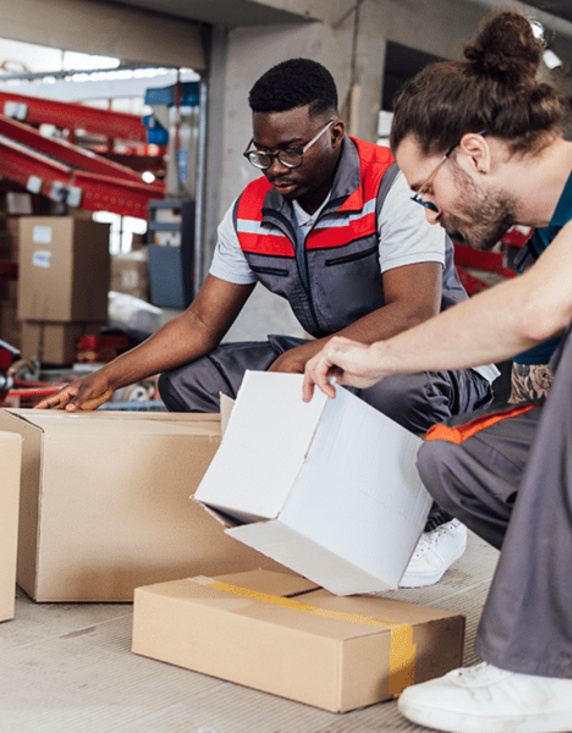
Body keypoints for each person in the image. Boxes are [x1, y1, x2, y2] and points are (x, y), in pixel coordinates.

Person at [37, 58, 495, 587]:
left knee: (395, 393)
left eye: (291, 150)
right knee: (189, 381)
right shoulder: (250, 211)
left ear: (334, 134)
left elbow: (414, 311)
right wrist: (109, 377)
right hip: (330, 358)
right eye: (263, 153)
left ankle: (434, 522)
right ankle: (298, 500)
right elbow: (202, 321)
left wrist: (304, 358)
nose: (275, 167)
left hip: (434, 357)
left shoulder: (394, 188)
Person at [304, 12, 572, 733]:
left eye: (427, 191)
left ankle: (537, 672)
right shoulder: (545, 232)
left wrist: (377, 353)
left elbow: (536, 312)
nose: (427, 214)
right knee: (456, 456)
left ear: (476, 155)